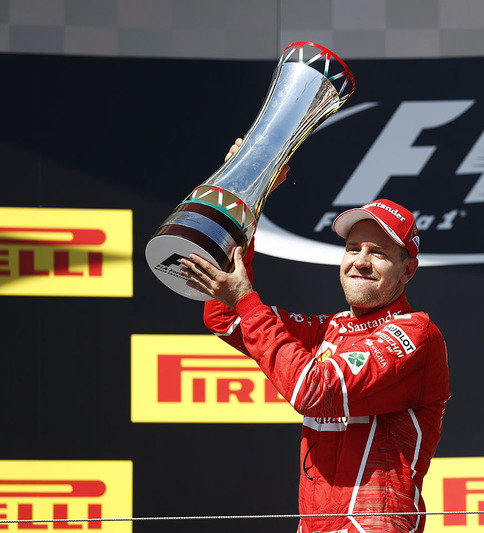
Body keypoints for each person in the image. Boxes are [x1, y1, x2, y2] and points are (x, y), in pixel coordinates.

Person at [180, 177, 450, 533]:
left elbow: (315, 392)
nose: (361, 262)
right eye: (353, 249)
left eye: (379, 253)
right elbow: (225, 316)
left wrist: (246, 299)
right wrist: (249, 198)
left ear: (407, 271)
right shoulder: (329, 329)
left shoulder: (417, 334)